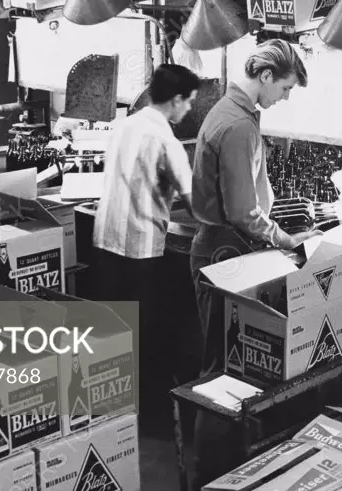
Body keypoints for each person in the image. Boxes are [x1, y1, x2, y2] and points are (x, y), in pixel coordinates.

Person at [189, 39, 321, 482]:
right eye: (284, 88)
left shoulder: (231, 112)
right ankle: (212, 472)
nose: (283, 98)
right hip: (226, 252)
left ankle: (226, 467)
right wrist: (287, 239)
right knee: (222, 371)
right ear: (265, 77)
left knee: (226, 365)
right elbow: (244, 213)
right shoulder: (238, 126)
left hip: (223, 246)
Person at [92, 63, 199, 434]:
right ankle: (151, 423)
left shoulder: (124, 124)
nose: (188, 111)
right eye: (189, 103)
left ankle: (114, 415)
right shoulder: (165, 139)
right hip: (140, 252)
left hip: (105, 244)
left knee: (117, 333)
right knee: (150, 337)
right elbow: (195, 200)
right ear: (176, 99)